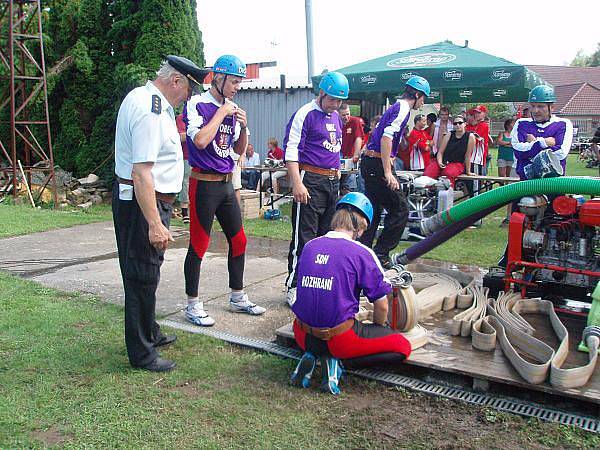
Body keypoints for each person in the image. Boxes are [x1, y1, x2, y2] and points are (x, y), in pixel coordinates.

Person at [113, 55, 207, 372]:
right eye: (189, 90)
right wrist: (154, 223)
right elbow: (141, 172)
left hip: (149, 201)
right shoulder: (151, 110)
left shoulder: (152, 103)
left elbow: (159, 149)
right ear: (176, 81)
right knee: (141, 274)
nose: (189, 98)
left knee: (147, 271)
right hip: (144, 203)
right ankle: (142, 353)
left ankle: (149, 331)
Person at [290, 192, 412, 395]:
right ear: (361, 226)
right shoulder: (362, 253)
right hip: (339, 338)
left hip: (302, 334)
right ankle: (337, 362)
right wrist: (377, 328)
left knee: (319, 328)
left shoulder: (310, 246)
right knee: (401, 347)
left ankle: (313, 355)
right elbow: (381, 305)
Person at [183, 54, 266, 327]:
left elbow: (238, 152)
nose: (237, 87)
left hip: (226, 183)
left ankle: (238, 296)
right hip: (203, 184)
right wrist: (220, 113)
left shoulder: (233, 107)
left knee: (239, 240)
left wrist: (244, 128)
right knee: (199, 243)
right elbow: (201, 141)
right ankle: (192, 304)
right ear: (217, 78)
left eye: (240, 82)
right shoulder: (197, 104)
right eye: (233, 81)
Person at [283, 71, 348, 306]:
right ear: (321, 93)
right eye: (332, 99)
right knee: (304, 238)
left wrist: (338, 173)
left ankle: (316, 284)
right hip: (309, 180)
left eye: (340, 101)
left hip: (331, 182)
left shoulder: (335, 117)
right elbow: (291, 150)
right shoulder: (305, 114)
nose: (336, 105)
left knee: (326, 238)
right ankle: (294, 286)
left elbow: (335, 148)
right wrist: (297, 183)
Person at [359, 75, 430, 268]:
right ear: (416, 94)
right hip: (377, 164)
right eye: (423, 98)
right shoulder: (403, 108)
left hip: (371, 162)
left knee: (374, 210)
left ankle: (364, 253)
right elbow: (386, 138)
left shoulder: (397, 107)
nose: (423, 103)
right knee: (400, 210)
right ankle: (380, 254)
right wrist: (388, 171)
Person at [511, 85, 573, 180]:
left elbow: (561, 153)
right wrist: (543, 143)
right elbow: (518, 152)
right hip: (527, 183)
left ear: (552, 107)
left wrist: (532, 145)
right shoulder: (521, 123)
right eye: (533, 106)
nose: (535, 110)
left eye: (541, 106)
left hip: (553, 184)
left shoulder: (563, 124)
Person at [423, 114, 475, 187]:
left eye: (460, 123)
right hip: (442, 160)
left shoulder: (470, 137)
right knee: (428, 173)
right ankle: (428, 193)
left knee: (448, 173)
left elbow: (468, 155)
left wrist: (468, 171)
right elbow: (440, 152)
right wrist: (440, 162)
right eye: (455, 123)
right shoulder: (449, 134)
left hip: (457, 163)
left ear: (465, 124)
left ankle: (446, 194)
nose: (457, 125)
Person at [339, 103, 365, 194]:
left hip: (349, 156)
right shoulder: (333, 121)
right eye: (343, 115)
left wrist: (356, 154)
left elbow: (358, 138)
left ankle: (348, 193)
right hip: (337, 155)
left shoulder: (355, 121)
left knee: (350, 181)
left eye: (348, 114)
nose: (346, 117)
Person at [496, 119, 516, 226]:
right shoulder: (502, 133)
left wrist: (506, 144)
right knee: (502, 177)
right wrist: (509, 143)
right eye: (512, 123)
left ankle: (507, 194)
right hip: (502, 157)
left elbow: (515, 145)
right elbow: (499, 142)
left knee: (510, 178)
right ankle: (502, 194)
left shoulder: (516, 134)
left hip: (511, 158)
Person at [176, 113, 191, 223]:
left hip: (201, 157)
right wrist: (195, 132)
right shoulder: (182, 118)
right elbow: (180, 137)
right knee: (185, 183)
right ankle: (185, 212)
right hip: (186, 156)